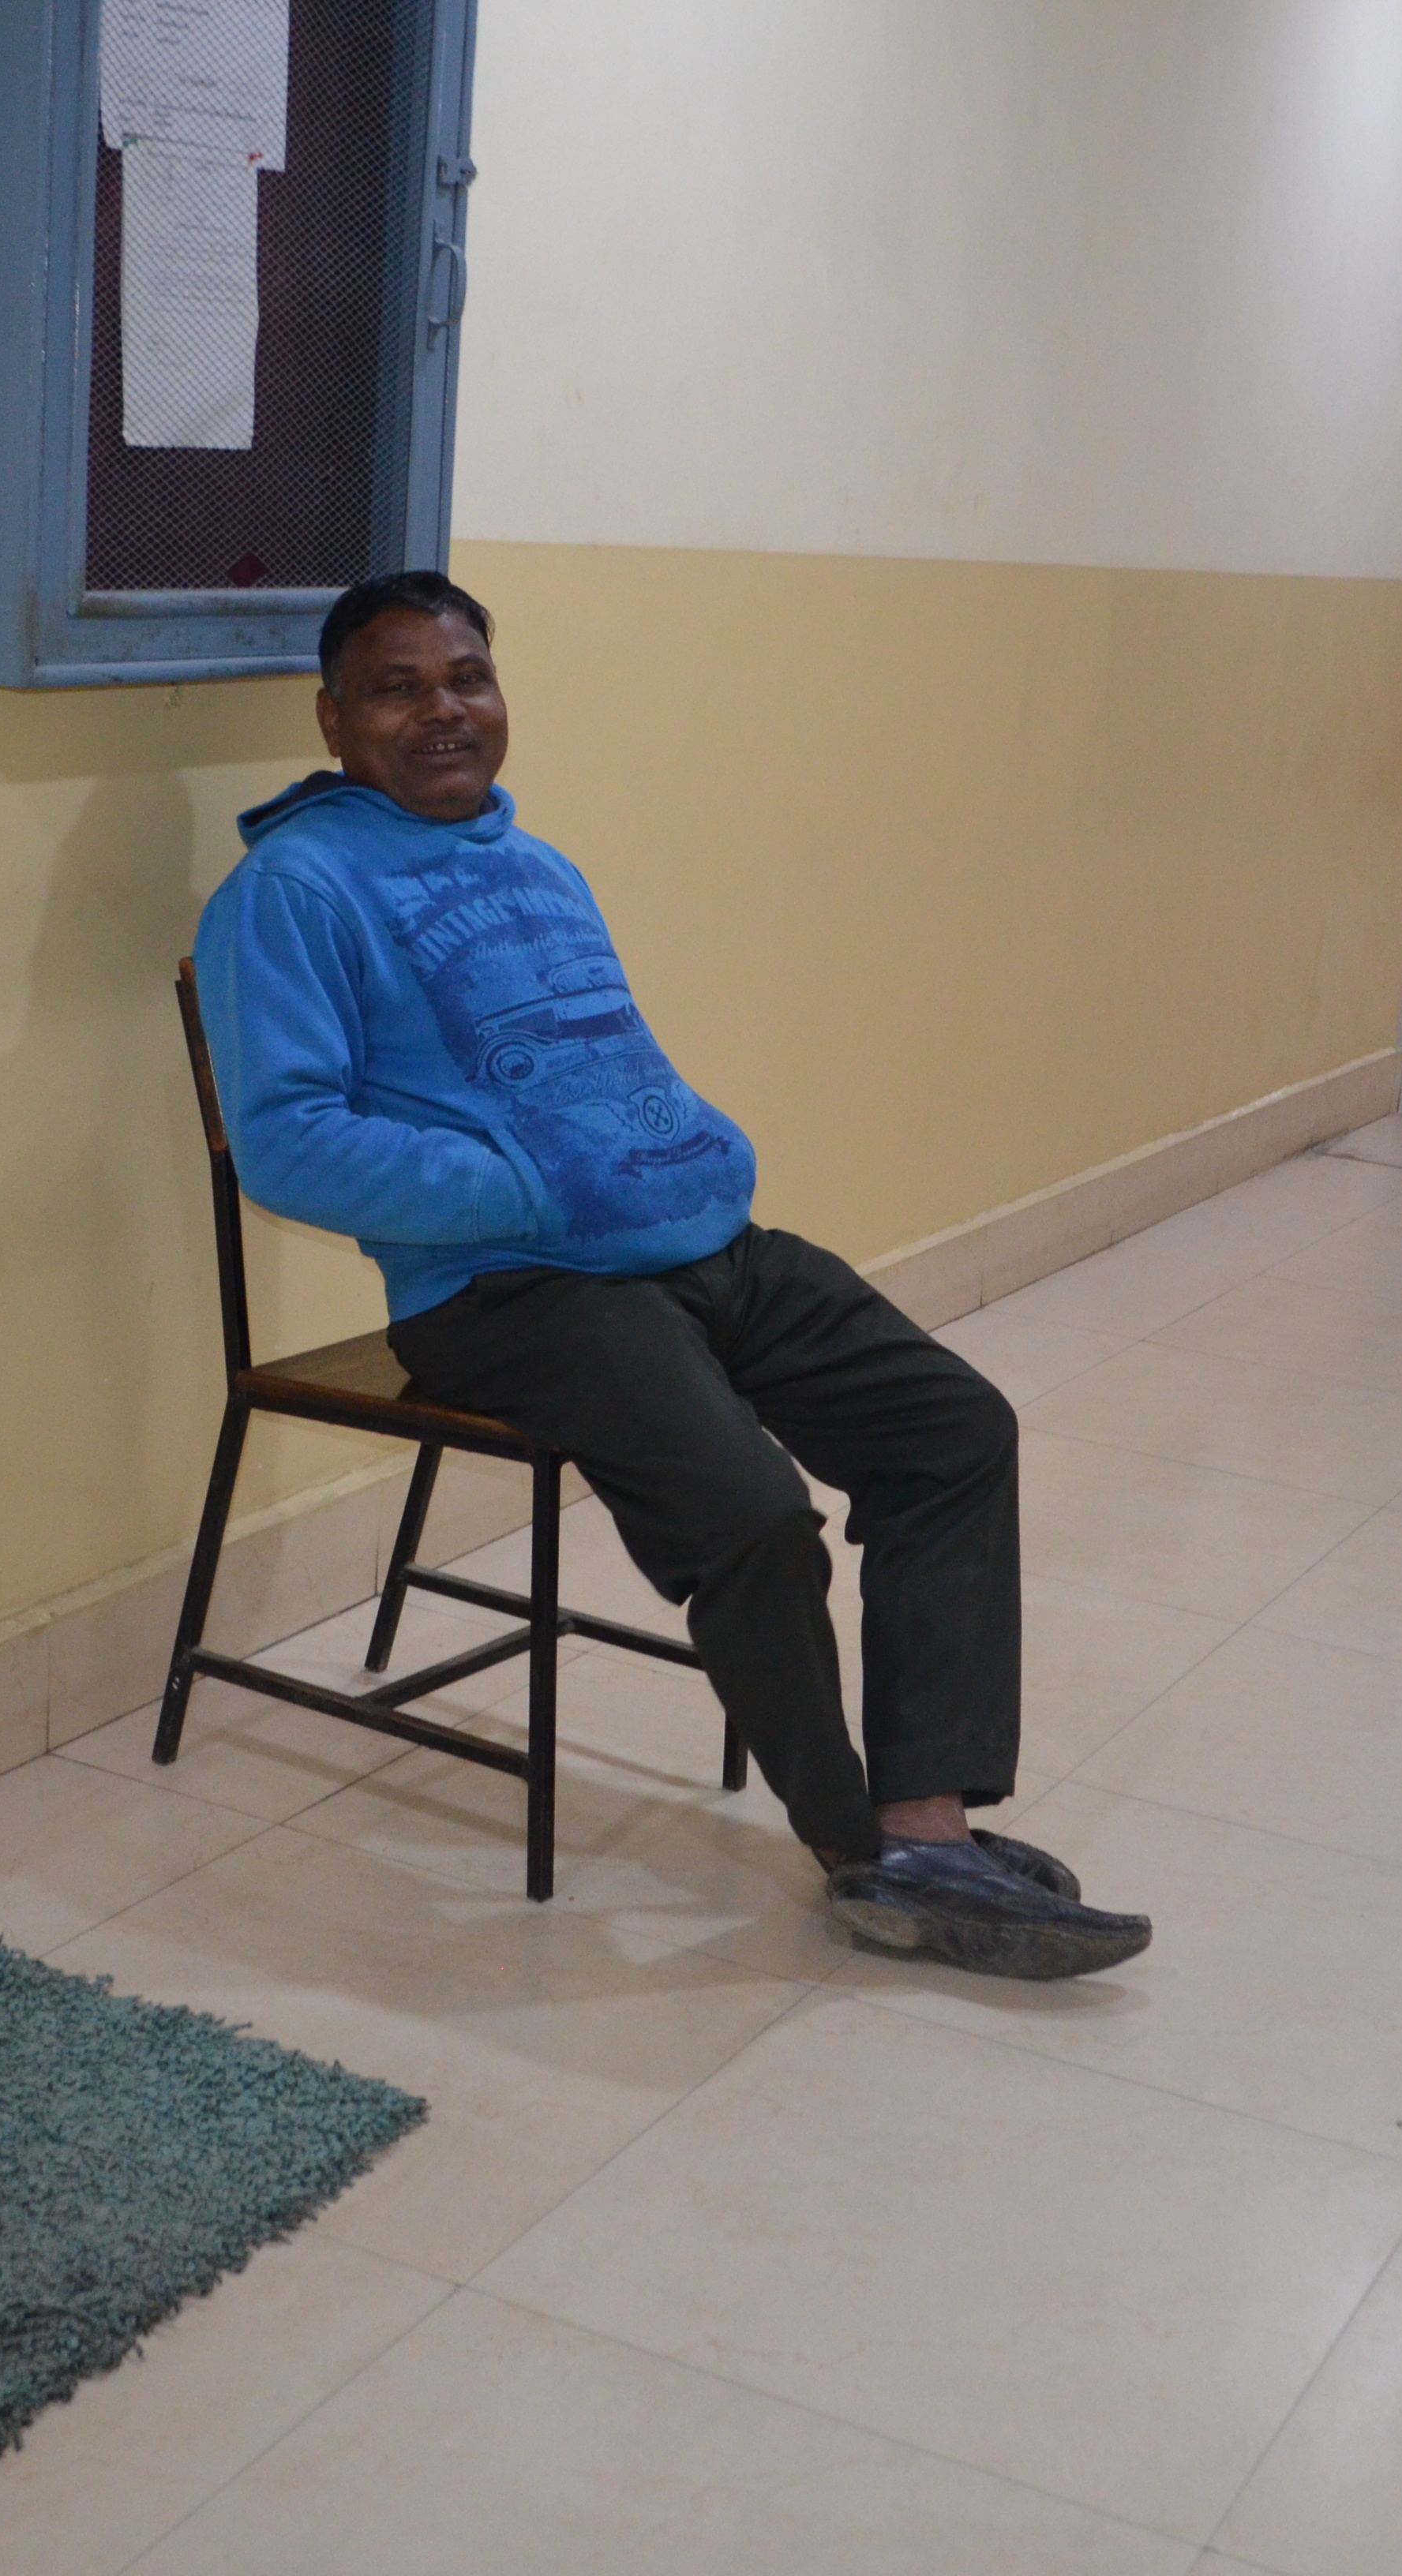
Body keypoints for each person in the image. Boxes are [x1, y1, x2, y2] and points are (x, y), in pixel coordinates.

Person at [191, 571, 1152, 1981]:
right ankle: (864, 1852)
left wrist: (695, 1147)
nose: (441, 710)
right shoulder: (291, 892)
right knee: (754, 1519)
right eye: (396, 689)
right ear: (333, 720)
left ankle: (927, 1820)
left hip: (696, 1248)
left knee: (952, 1431)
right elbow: (287, 1145)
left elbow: (596, 1061)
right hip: (506, 1293)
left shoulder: (537, 862)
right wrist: (526, 1188)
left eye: (466, 677)